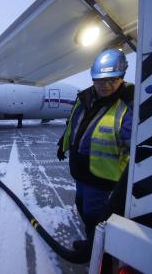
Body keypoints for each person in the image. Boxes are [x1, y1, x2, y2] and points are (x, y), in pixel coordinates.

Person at [57, 48, 134, 263]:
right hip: (81, 171)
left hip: (102, 176)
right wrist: (63, 143)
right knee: (82, 207)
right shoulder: (85, 98)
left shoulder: (127, 105)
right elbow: (74, 124)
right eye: (100, 80)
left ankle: (100, 256)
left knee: (96, 217)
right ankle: (92, 244)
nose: (105, 85)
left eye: (112, 80)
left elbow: (133, 142)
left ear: (121, 78)